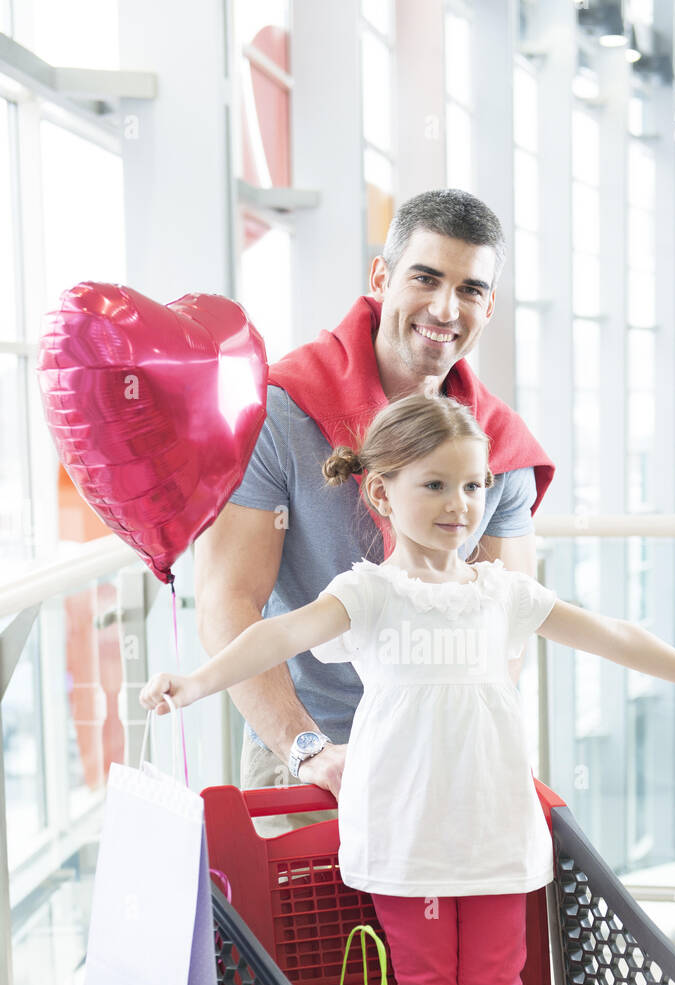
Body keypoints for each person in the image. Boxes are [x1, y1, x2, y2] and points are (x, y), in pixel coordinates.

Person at [142, 394, 675, 985]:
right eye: (435, 485)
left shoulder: (500, 593)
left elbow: (610, 635)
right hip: (409, 843)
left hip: (496, 839)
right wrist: (193, 681)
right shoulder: (368, 593)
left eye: (473, 486)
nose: (459, 504)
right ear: (382, 492)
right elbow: (275, 635)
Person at [193, 189, 554, 834]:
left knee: (448, 939)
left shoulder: (503, 446)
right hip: (307, 756)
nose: (445, 309)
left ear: (489, 307)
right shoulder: (279, 413)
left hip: (446, 761)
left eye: (470, 289)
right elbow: (229, 600)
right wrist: (308, 752)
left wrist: (472, 751)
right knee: (308, 939)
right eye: (426, 278)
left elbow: (507, 632)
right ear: (381, 277)